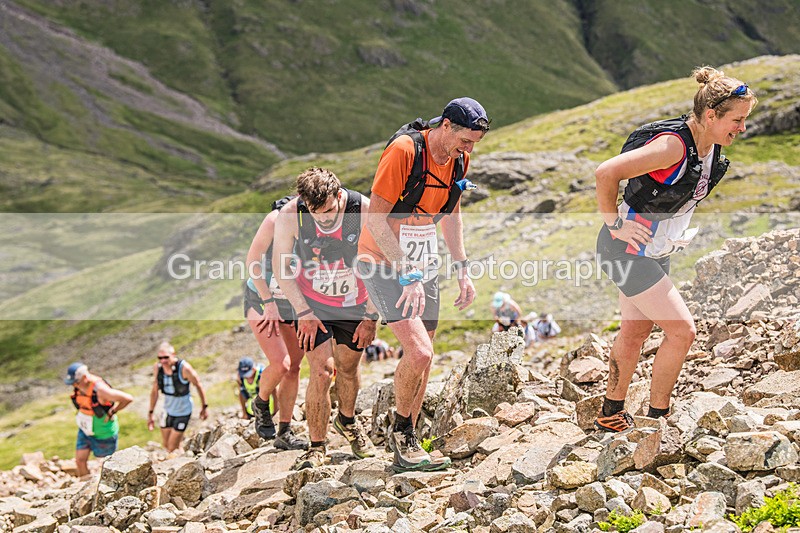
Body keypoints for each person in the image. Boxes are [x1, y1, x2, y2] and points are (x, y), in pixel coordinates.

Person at [594, 66, 756, 432]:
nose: (743, 128)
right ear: (711, 115)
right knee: (683, 332)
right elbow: (606, 172)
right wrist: (615, 224)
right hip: (626, 249)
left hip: (655, 250)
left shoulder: (711, 146)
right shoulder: (672, 146)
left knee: (635, 332)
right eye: (737, 120)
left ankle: (610, 414)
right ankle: (659, 422)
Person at [356, 97, 489, 471]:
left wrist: (462, 268)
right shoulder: (404, 151)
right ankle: (400, 436)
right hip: (382, 259)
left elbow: (452, 213)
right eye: (465, 140)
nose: (469, 149)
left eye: (475, 143)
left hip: (422, 261)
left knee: (426, 354)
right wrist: (406, 273)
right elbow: (376, 221)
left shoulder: (459, 159)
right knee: (420, 353)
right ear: (446, 125)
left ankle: (410, 438)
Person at [272, 167, 380, 470]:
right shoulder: (291, 215)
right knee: (321, 370)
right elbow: (281, 268)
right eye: (315, 213)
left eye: (330, 211)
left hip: (355, 302)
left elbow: (381, 264)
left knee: (347, 367)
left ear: (339, 195)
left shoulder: (362, 209)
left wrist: (371, 316)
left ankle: (347, 421)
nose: (323, 219)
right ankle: (317, 446)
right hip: (312, 304)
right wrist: (303, 312)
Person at [244, 196, 309, 450]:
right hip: (262, 297)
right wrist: (268, 301)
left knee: (294, 367)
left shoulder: (323, 222)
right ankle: (261, 402)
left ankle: (285, 431)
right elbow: (252, 261)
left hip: (293, 301)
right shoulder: (275, 220)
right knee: (281, 364)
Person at [65, 362, 133, 478]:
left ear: (85, 378)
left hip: (104, 433)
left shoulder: (101, 390)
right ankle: (84, 485)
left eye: (76, 382)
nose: (74, 385)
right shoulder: (78, 388)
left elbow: (127, 398)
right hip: (85, 430)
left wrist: (113, 411)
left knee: (107, 464)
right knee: (80, 460)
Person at [147, 341, 209, 452]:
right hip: (167, 410)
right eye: (160, 358)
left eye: (166, 357)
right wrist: (151, 413)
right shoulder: (158, 368)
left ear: (173, 355)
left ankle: (180, 457)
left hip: (183, 412)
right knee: (166, 445)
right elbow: (155, 391)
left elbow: (198, 385)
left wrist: (204, 407)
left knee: (172, 447)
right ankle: (181, 453)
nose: (163, 361)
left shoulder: (184, 368)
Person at [236, 357, 277, 421]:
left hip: (269, 408)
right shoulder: (241, 379)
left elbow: (274, 392)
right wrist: (244, 413)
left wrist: (276, 411)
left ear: (253, 369)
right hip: (253, 411)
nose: (246, 377)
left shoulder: (262, 374)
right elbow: (241, 394)